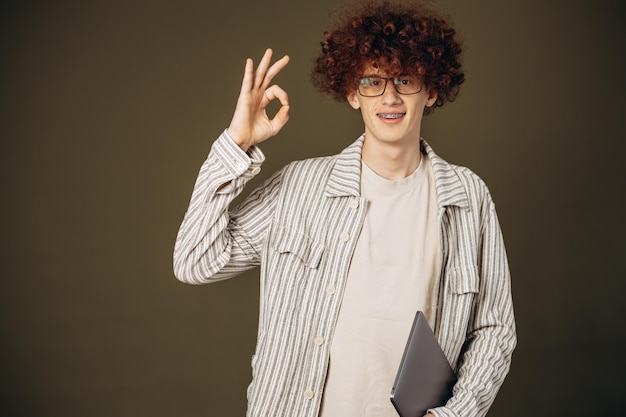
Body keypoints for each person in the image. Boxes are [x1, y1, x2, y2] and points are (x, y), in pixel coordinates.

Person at [173, 1, 516, 416]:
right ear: (352, 93)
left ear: (432, 89)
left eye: (405, 79)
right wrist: (236, 143)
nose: (389, 96)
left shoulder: (467, 197)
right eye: (372, 81)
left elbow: (494, 329)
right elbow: (195, 261)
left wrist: (455, 415)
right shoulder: (299, 187)